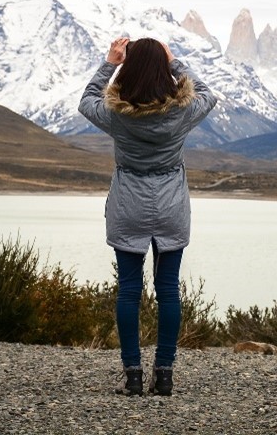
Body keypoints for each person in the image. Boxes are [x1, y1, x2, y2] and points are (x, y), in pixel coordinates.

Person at [78, 36, 217, 396]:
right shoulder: (183, 112)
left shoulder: (116, 115)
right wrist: (175, 62)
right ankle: (165, 375)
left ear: (130, 68)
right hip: (171, 206)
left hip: (129, 205)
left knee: (128, 290)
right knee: (168, 290)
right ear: (162, 69)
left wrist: (110, 62)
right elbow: (208, 94)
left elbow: (86, 101)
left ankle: (134, 377)